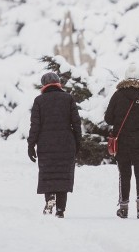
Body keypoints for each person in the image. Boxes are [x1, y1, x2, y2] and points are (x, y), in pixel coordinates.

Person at [104, 62, 139, 219]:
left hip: (123, 142)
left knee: (124, 174)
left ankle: (124, 208)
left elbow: (108, 118)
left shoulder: (118, 95)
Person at [27, 71, 82, 218]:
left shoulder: (39, 101)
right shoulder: (68, 99)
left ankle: (50, 197)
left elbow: (35, 125)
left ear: (44, 85)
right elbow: (76, 122)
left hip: (45, 144)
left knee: (48, 174)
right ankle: (60, 210)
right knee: (63, 176)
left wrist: (31, 144)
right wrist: (78, 141)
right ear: (58, 83)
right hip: (66, 143)